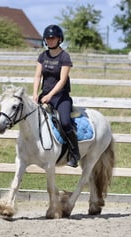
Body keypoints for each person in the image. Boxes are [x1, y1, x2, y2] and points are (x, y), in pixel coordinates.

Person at [32, 24, 80, 167]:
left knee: (65, 122)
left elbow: (62, 80)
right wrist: (35, 94)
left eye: (53, 38)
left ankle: (74, 153)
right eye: (48, 38)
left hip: (61, 97)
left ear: (59, 39)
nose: (50, 40)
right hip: (44, 95)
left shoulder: (65, 57)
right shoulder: (42, 56)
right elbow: (37, 76)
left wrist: (51, 95)